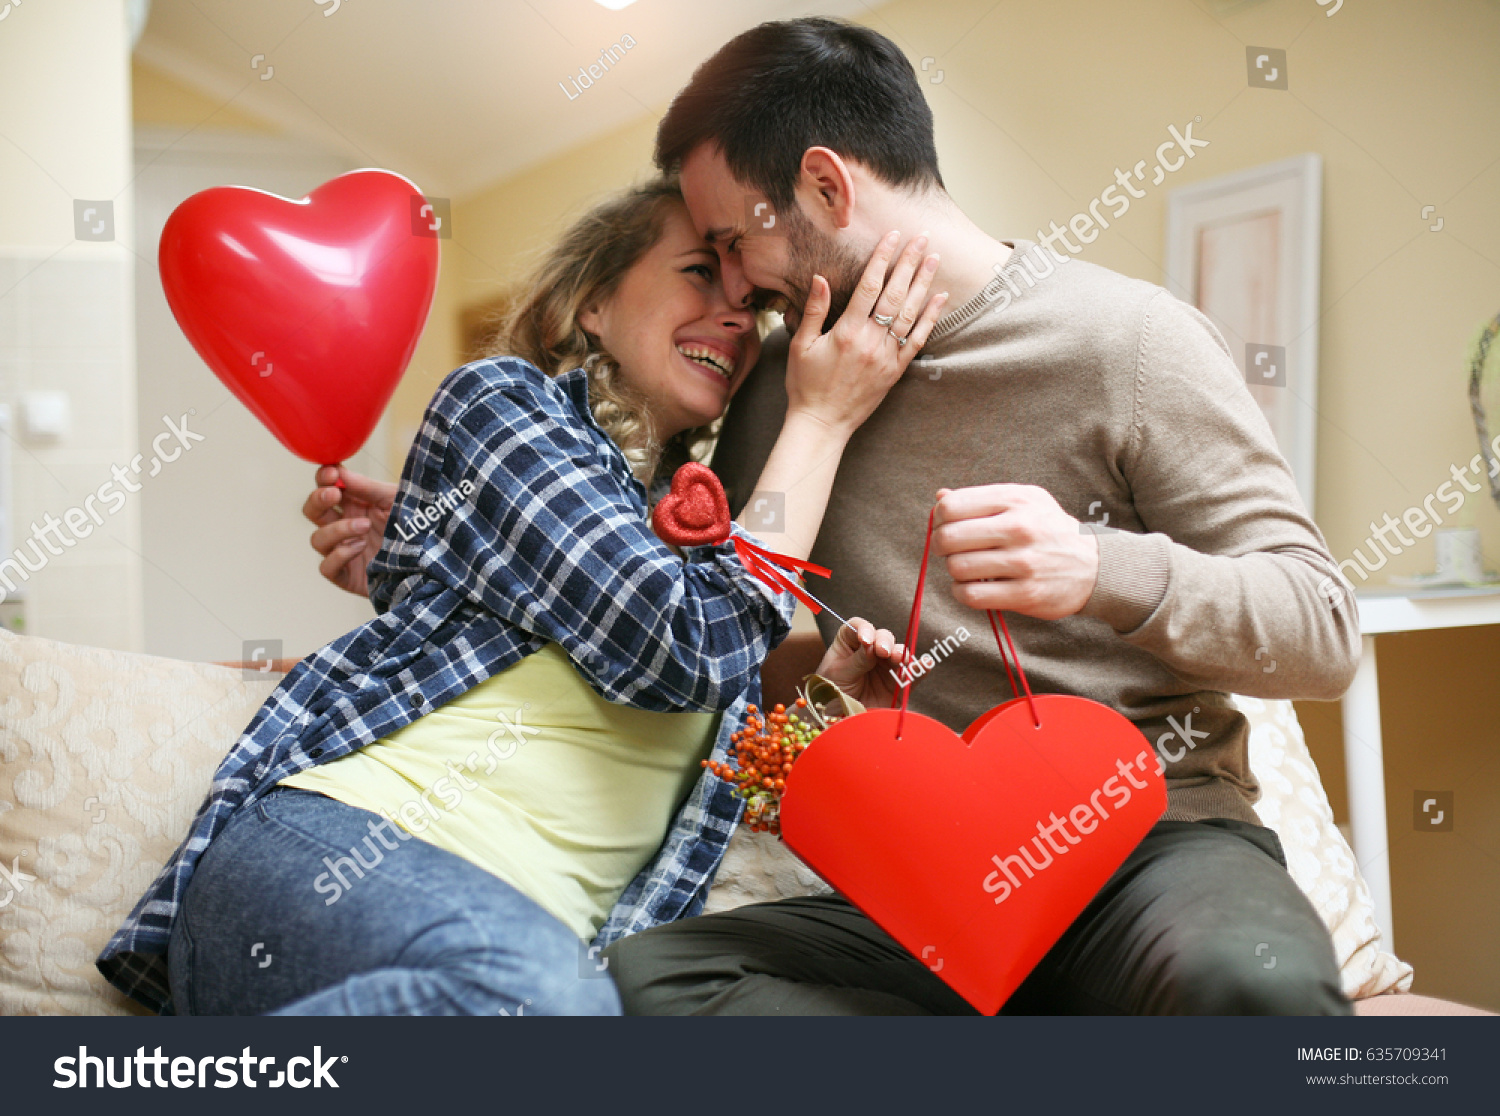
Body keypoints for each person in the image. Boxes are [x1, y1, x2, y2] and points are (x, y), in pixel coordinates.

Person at [306, 19, 1363, 1016]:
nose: (730, 284)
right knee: (648, 987)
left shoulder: (1126, 341)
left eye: (730, 242)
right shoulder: (779, 391)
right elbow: (674, 597)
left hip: (1151, 846)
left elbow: (1320, 628)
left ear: (822, 185)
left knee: (1253, 989)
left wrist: (1097, 567)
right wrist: (455, 528)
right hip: (925, 893)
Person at [95, 175, 945, 1016]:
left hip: (515, 961)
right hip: (336, 856)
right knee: (538, 1001)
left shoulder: (682, 542)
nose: (734, 313)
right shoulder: (501, 400)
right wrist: (822, 419)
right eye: (697, 271)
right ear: (591, 305)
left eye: (750, 305)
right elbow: (686, 644)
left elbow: (697, 675)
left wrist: (812, 677)